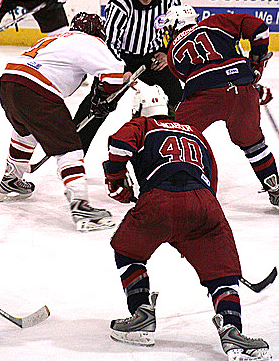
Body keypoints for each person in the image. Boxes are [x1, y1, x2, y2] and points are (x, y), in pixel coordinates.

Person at [103, 84, 272, 359]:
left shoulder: (143, 125)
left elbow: (119, 144)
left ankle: (141, 314)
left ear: (139, 111)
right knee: (222, 273)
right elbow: (211, 176)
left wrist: (116, 181)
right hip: (205, 203)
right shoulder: (194, 132)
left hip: (158, 202)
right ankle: (232, 330)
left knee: (127, 250)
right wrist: (193, 216)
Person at [0, 12, 127, 231]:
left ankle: (11, 179)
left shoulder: (56, 38)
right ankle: (81, 207)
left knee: (25, 131)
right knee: (70, 147)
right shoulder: (89, 40)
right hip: (36, 89)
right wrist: (105, 96)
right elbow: (114, 73)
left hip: (9, 81)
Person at [164, 5, 279, 207]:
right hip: (241, 89)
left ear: (175, 25)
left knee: (177, 138)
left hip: (203, 95)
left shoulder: (172, 52)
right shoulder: (215, 22)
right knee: (253, 144)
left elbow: (196, 77)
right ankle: (275, 187)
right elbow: (260, 28)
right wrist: (256, 63)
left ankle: (172, 189)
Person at [72, 0, 183, 155]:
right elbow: (110, 43)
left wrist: (168, 54)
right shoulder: (120, 4)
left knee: (178, 97)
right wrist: (120, 71)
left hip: (153, 58)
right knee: (100, 103)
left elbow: (180, 30)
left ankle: (179, 144)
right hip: (121, 59)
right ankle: (73, 150)